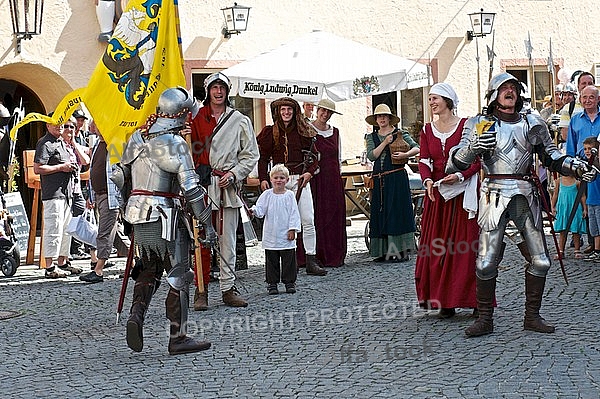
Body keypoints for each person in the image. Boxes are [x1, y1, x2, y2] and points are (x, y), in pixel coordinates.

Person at [446, 72, 596, 337]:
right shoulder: (479, 123)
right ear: (493, 94)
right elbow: (455, 162)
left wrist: (575, 164)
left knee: (540, 261)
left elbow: (551, 156)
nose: (509, 91)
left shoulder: (532, 122)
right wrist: (474, 148)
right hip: (493, 195)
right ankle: (485, 319)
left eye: (513, 87)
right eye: (504, 88)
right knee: (485, 263)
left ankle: (532, 316)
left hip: (526, 195)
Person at [111, 86, 216, 355]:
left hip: (138, 215)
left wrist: (127, 209)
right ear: (181, 115)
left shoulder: (137, 137)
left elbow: (120, 177)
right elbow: (191, 188)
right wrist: (207, 224)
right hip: (165, 213)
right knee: (179, 273)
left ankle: (136, 316)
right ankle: (178, 337)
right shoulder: (175, 143)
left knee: (149, 269)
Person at [415, 83, 480, 317]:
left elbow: (477, 158)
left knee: (466, 248)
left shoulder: (466, 126)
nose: (431, 102)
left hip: (462, 195)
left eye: (435, 98)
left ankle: (474, 299)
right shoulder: (427, 130)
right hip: (437, 197)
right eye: (430, 99)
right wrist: (428, 181)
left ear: (448, 101)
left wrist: (461, 174)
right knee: (438, 248)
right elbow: (424, 160)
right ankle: (445, 300)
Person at [203, 72, 260, 308]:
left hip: (226, 185)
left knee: (227, 240)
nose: (218, 92)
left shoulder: (239, 120)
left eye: (222, 88)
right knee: (200, 239)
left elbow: (251, 154)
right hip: (201, 185)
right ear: (208, 91)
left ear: (226, 91)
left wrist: (234, 173)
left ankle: (227, 288)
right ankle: (201, 289)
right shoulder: (197, 117)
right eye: (214, 88)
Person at [257, 97, 328, 276]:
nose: (286, 113)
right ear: (278, 112)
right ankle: (289, 261)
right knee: (281, 221)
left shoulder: (303, 131)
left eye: (289, 109)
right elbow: (263, 157)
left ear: (294, 111)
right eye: (283, 110)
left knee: (307, 219)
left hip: (299, 180)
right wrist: (263, 178)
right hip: (279, 181)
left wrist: (309, 173)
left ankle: (311, 259)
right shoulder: (270, 132)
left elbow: (314, 156)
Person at [364, 104, 419, 262]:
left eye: (384, 116)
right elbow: (372, 156)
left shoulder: (400, 133)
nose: (381, 119)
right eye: (378, 116)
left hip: (397, 178)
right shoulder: (371, 137)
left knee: (397, 212)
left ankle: (400, 251)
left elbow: (416, 148)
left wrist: (405, 154)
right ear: (376, 119)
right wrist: (385, 142)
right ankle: (382, 252)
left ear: (389, 118)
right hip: (379, 178)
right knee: (380, 213)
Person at [33, 117, 82, 278]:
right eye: (57, 124)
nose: (61, 126)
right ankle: (49, 267)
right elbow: (38, 168)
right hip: (53, 193)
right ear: (48, 125)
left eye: (62, 123)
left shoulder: (60, 142)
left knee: (65, 230)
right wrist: (61, 167)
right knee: (53, 229)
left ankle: (62, 262)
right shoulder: (45, 143)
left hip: (66, 192)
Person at [79, 120, 122, 283]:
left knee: (104, 232)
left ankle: (98, 270)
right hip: (99, 195)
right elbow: (93, 171)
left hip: (110, 197)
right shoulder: (97, 145)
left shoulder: (114, 145)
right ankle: (135, 262)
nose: (97, 129)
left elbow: (119, 171)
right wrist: (91, 195)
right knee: (114, 233)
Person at [307, 98, 346, 267]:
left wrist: (338, 176)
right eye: (322, 110)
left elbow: (339, 157)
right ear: (317, 110)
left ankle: (334, 254)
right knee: (317, 215)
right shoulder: (308, 130)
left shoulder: (335, 132)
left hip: (333, 180)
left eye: (328, 112)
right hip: (316, 179)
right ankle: (318, 255)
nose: (325, 114)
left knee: (334, 215)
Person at [251, 164, 301, 295]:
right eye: (276, 177)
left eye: (282, 178)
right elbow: (260, 210)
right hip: (271, 234)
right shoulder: (266, 195)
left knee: (288, 260)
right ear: (271, 179)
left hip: (285, 234)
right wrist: (253, 211)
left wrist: (292, 229)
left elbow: (294, 213)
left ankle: (289, 282)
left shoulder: (289, 195)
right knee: (271, 260)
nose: (279, 180)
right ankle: (272, 283)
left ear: (287, 180)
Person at [551, 170, 586, 261]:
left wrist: (584, 209)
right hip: (563, 209)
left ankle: (577, 250)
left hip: (575, 208)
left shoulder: (577, 182)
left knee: (576, 231)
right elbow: (555, 194)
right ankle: (561, 251)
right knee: (563, 231)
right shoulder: (559, 181)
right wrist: (553, 207)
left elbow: (582, 196)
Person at [566, 85, 600, 159]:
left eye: (591, 97)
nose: (587, 101)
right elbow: (570, 148)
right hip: (582, 165)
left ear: (598, 99)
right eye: (584, 97)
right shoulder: (574, 120)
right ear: (580, 99)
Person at [581, 137, 600, 261]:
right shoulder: (587, 164)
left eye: (590, 149)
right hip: (591, 201)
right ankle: (597, 250)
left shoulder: (597, 165)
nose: (587, 151)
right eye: (585, 149)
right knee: (595, 230)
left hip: (599, 201)